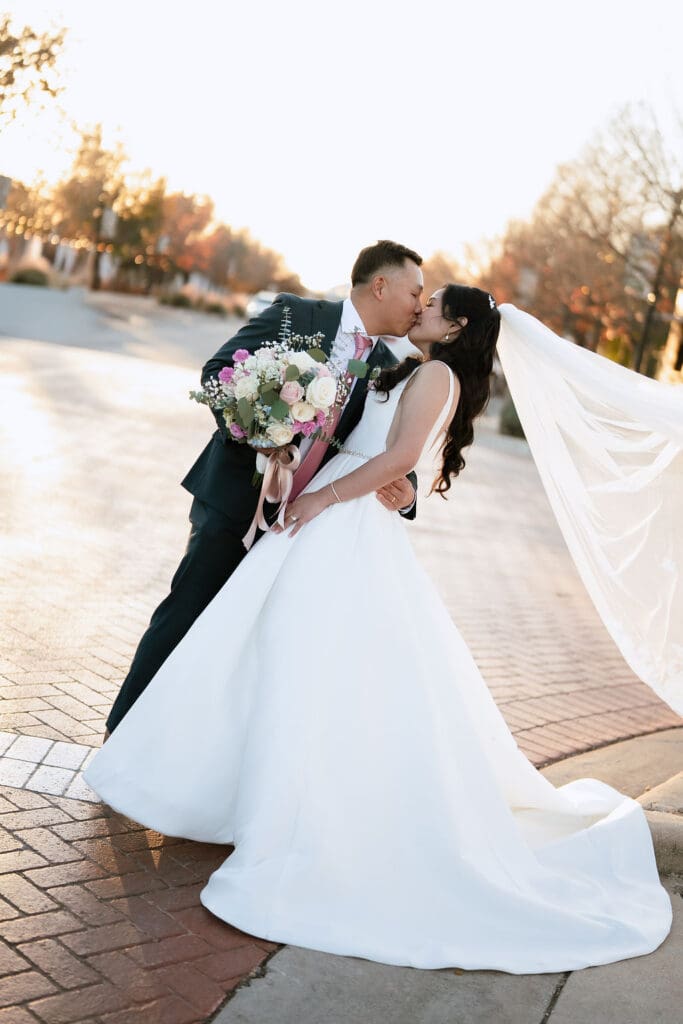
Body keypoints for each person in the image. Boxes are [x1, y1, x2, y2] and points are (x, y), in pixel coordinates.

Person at [85, 283, 672, 973]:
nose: (418, 309)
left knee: (302, 659)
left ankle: (293, 806)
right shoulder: (410, 366)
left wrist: (323, 499)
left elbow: (398, 460)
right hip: (330, 520)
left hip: (341, 527)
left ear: (454, 324)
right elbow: (377, 447)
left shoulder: (435, 373)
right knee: (272, 655)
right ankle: (237, 786)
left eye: (432, 305)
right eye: (415, 297)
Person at [105, 240, 425, 736]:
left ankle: (186, 746)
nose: (419, 306)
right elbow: (217, 375)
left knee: (244, 640)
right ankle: (123, 734)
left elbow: (384, 441)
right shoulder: (296, 314)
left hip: (295, 528)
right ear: (380, 285)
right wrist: (261, 433)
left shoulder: (388, 365)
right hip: (234, 497)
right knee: (186, 611)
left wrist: (408, 494)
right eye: (414, 292)